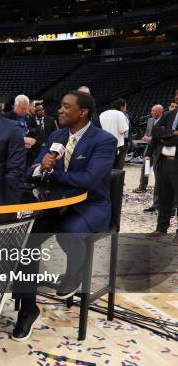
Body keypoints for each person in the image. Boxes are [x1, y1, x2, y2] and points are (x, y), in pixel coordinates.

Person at [12, 90, 116, 341]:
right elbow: (31, 169)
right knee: (27, 241)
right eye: (60, 105)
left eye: (66, 106)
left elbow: (89, 180)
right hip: (54, 204)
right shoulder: (57, 135)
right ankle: (28, 309)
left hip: (90, 206)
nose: (59, 110)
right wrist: (40, 167)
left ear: (83, 113)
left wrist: (52, 174)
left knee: (67, 233)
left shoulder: (104, 140)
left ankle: (75, 273)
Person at [145, 101, 178, 241]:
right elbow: (156, 131)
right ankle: (161, 228)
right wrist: (172, 133)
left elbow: (166, 139)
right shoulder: (169, 114)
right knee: (164, 196)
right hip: (163, 162)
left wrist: (165, 136)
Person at [135, 104, 164, 194]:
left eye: (153, 111)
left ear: (160, 112)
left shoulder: (165, 121)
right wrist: (145, 136)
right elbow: (147, 133)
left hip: (159, 148)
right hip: (149, 148)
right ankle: (142, 186)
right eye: (151, 110)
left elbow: (164, 135)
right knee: (145, 168)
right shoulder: (150, 120)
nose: (151, 112)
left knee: (157, 169)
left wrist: (152, 138)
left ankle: (159, 188)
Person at [99, 98, 129, 170]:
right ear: (121, 106)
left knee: (104, 168)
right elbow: (123, 130)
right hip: (116, 145)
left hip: (102, 145)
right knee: (116, 170)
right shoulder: (120, 114)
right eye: (125, 106)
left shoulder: (102, 114)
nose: (125, 108)